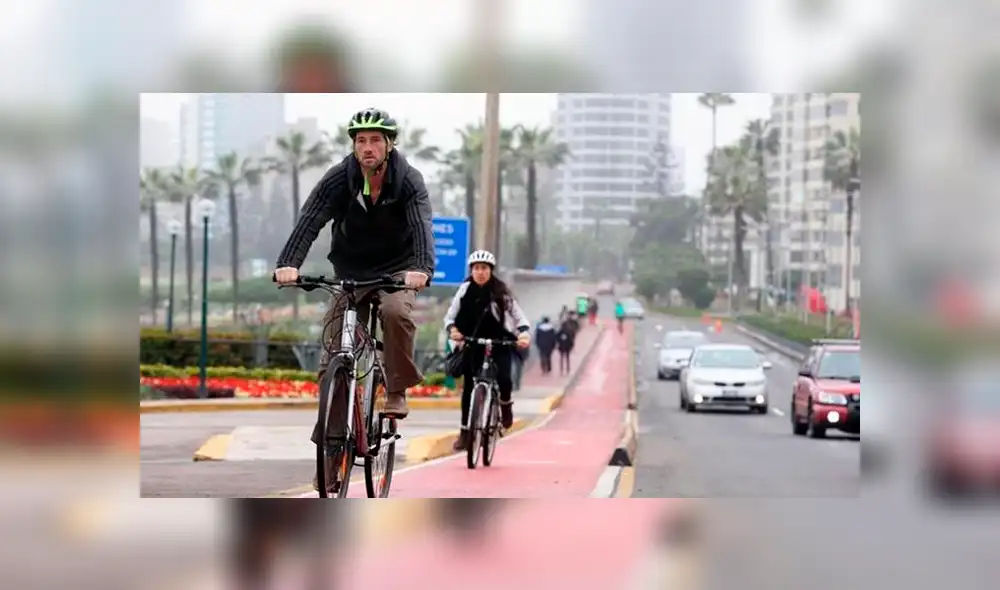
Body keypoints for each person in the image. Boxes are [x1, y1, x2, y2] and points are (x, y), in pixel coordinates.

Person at [273, 108, 435, 488]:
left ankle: (395, 389)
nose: (367, 147)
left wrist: (422, 269)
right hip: (350, 271)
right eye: (360, 140)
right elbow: (310, 219)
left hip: (398, 270)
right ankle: (330, 463)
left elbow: (421, 227)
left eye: (375, 139)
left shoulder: (408, 180)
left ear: (389, 144)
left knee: (396, 313)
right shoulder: (339, 179)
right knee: (334, 357)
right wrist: (287, 264)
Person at [442, 250, 531, 451]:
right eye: (476, 268)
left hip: (500, 342)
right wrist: (453, 330)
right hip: (472, 343)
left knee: (505, 379)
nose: (480, 272)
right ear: (471, 271)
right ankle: (465, 432)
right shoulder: (465, 290)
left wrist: (523, 334)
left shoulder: (501, 292)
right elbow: (450, 317)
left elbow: (520, 318)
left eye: (484, 268)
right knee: (468, 387)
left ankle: (506, 406)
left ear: (491, 270)